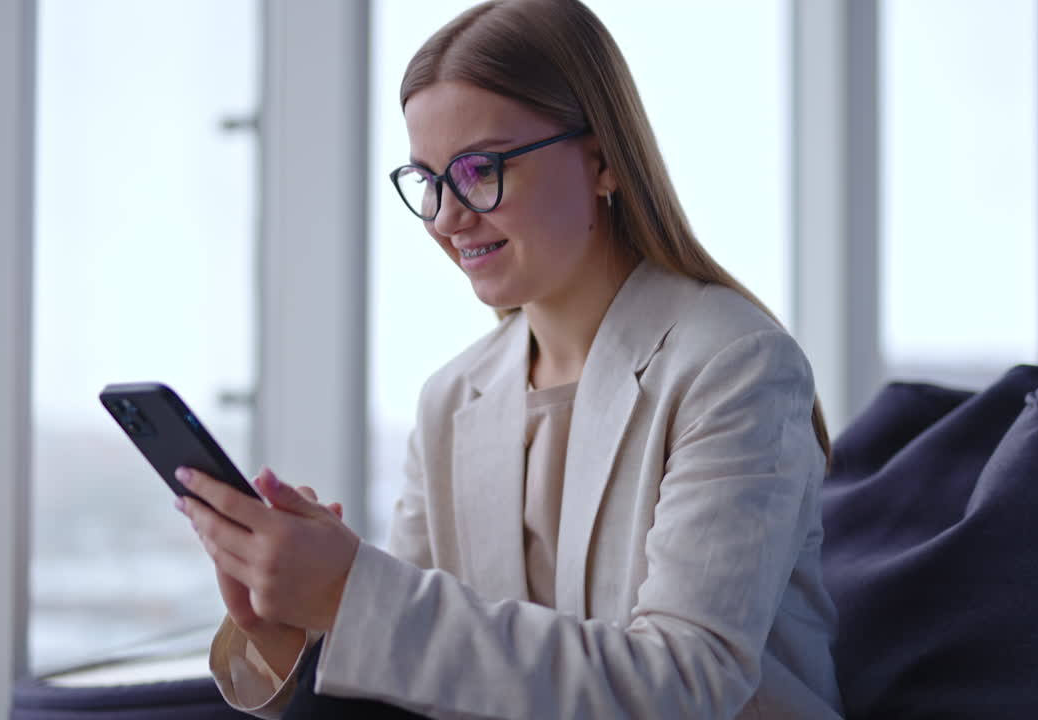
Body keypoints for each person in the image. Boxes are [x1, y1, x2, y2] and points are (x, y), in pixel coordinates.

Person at [175, 0, 843, 717]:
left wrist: (356, 593)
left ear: (603, 162)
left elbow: (683, 684)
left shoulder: (734, 368)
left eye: (479, 168)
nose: (446, 216)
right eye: (428, 181)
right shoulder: (452, 400)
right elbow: (425, 670)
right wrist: (297, 615)